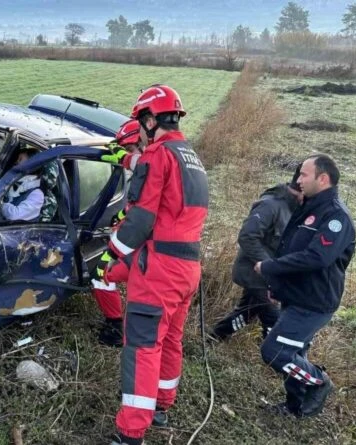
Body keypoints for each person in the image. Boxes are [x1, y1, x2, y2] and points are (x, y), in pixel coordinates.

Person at [100, 85, 208, 444]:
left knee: (142, 347)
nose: (140, 132)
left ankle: (130, 433)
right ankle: (162, 404)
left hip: (159, 268)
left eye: (140, 123)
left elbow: (140, 219)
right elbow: (166, 192)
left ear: (149, 119)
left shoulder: (156, 156)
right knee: (170, 339)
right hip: (188, 267)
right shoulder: (189, 156)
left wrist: (112, 253)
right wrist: (125, 159)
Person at [256, 154, 355, 418]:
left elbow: (316, 257)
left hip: (314, 302)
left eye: (304, 175)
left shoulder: (336, 217)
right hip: (296, 296)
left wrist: (269, 268)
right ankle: (294, 407)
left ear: (323, 179)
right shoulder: (309, 208)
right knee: (295, 351)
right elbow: (290, 247)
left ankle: (319, 382)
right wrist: (278, 286)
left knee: (275, 351)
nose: (298, 180)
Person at [209, 165, 303, 341]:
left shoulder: (297, 209)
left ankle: (215, 336)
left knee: (247, 312)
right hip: (254, 274)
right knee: (274, 320)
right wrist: (270, 268)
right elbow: (247, 237)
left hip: (270, 276)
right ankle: (275, 357)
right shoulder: (271, 205)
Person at [91, 119, 144, 347]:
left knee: (101, 274)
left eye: (130, 150)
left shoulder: (148, 169)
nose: (128, 157)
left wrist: (110, 255)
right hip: (149, 249)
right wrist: (120, 216)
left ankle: (115, 329)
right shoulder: (151, 163)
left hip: (145, 250)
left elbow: (142, 216)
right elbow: (136, 207)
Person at [1, 147, 44, 222]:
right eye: (17, 159)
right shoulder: (12, 183)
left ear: (32, 164)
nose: (16, 162)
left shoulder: (37, 195)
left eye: (20, 159)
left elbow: (14, 215)